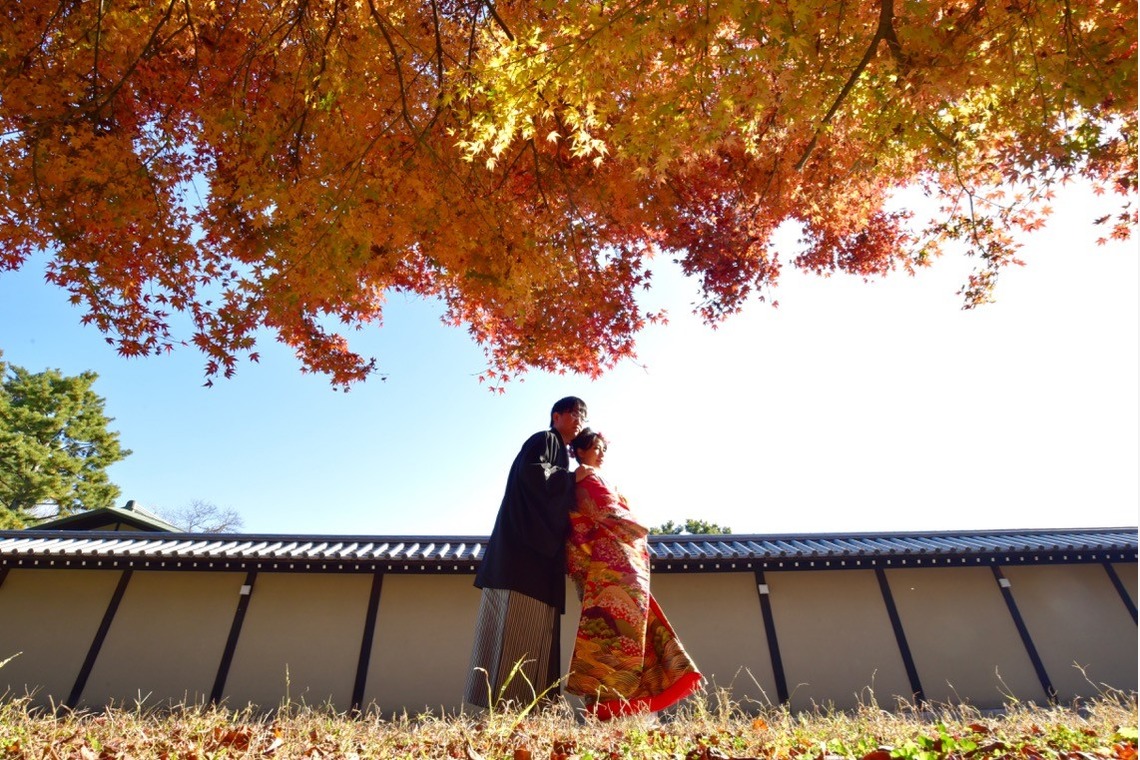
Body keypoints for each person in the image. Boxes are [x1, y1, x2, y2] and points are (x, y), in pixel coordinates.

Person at [565, 428, 702, 720]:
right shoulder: (585, 477)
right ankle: (617, 704)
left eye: (604, 448)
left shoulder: (588, 478)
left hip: (607, 560)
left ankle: (628, 702)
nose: (602, 453)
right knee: (618, 628)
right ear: (579, 451)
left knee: (628, 627)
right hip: (607, 563)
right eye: (596, 447)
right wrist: (639, 528)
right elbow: (608, 510)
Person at [464, 396, 588, 711]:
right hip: (523, 557)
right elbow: (534, 476)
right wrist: (571, 479)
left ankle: (527, 709)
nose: (580, 421)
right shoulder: (545, 440)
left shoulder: (559, 452)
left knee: (531, 635)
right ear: (556, 416)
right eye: (575, 414)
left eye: (584, 417)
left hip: (536, 559)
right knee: (516, 631)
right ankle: (509, 708)